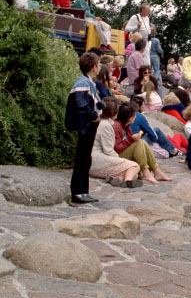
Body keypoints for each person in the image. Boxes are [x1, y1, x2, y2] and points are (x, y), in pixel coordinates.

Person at [65, 52, 104, 204]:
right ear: (94, 67)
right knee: (82, 158)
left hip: (89, 125)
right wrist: (94, 116)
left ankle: (83, 191)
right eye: (99, 65)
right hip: (85, 125)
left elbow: (92, 102)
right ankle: (77, 192)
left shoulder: (89, 82)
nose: (100, 67)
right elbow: (81, 105)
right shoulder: (82, 83)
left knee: (86, 158)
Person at [89, 98, 142, 187]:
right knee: (135, 166)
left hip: (95, 161)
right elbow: (108, 150)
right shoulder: (106, 125)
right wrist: (120, 161)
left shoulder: (102, 122)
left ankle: (118, 179)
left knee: (134, 174)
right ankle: (127, 181)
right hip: (97, 162)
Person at [113, 104, 172, 184]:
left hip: (122, 152)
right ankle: (146, 172)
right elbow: (117, 148)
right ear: (128, 117)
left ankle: (156, 171)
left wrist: (133, 139)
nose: (135, 117)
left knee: (142, 142)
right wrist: (131, 139)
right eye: (134, 115)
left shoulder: (126, 126)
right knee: (139, 142)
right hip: (116, 156)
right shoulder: (117, 126)